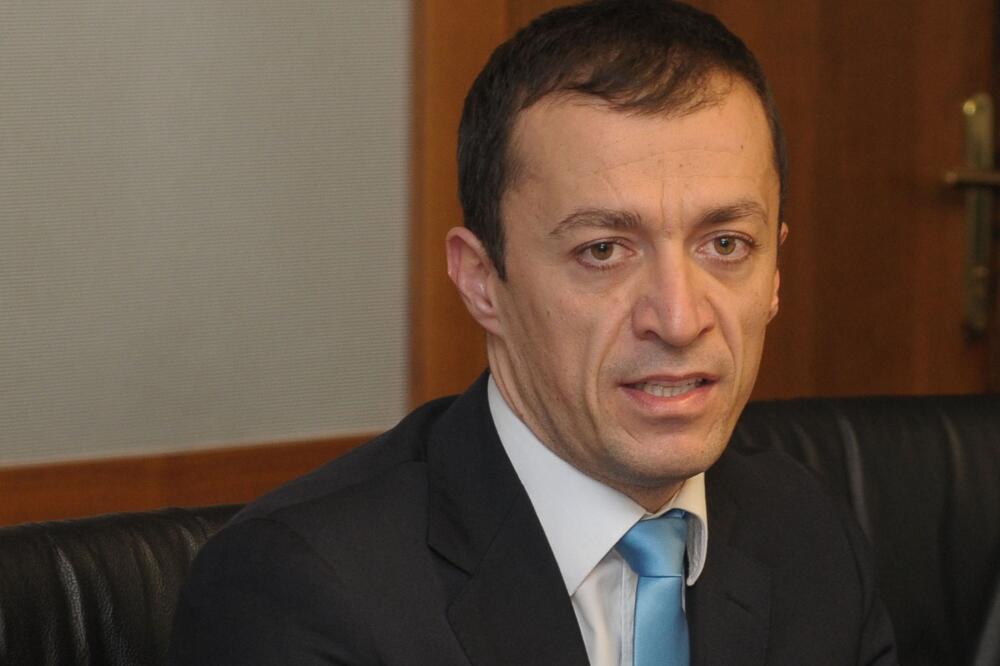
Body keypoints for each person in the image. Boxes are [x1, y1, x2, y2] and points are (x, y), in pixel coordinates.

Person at [169, 1, 898, 664]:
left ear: (775, 274)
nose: (680, 320)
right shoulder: (302, 591)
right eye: (603, 251)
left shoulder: (808, 534)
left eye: (726, 244)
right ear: (481, 280)